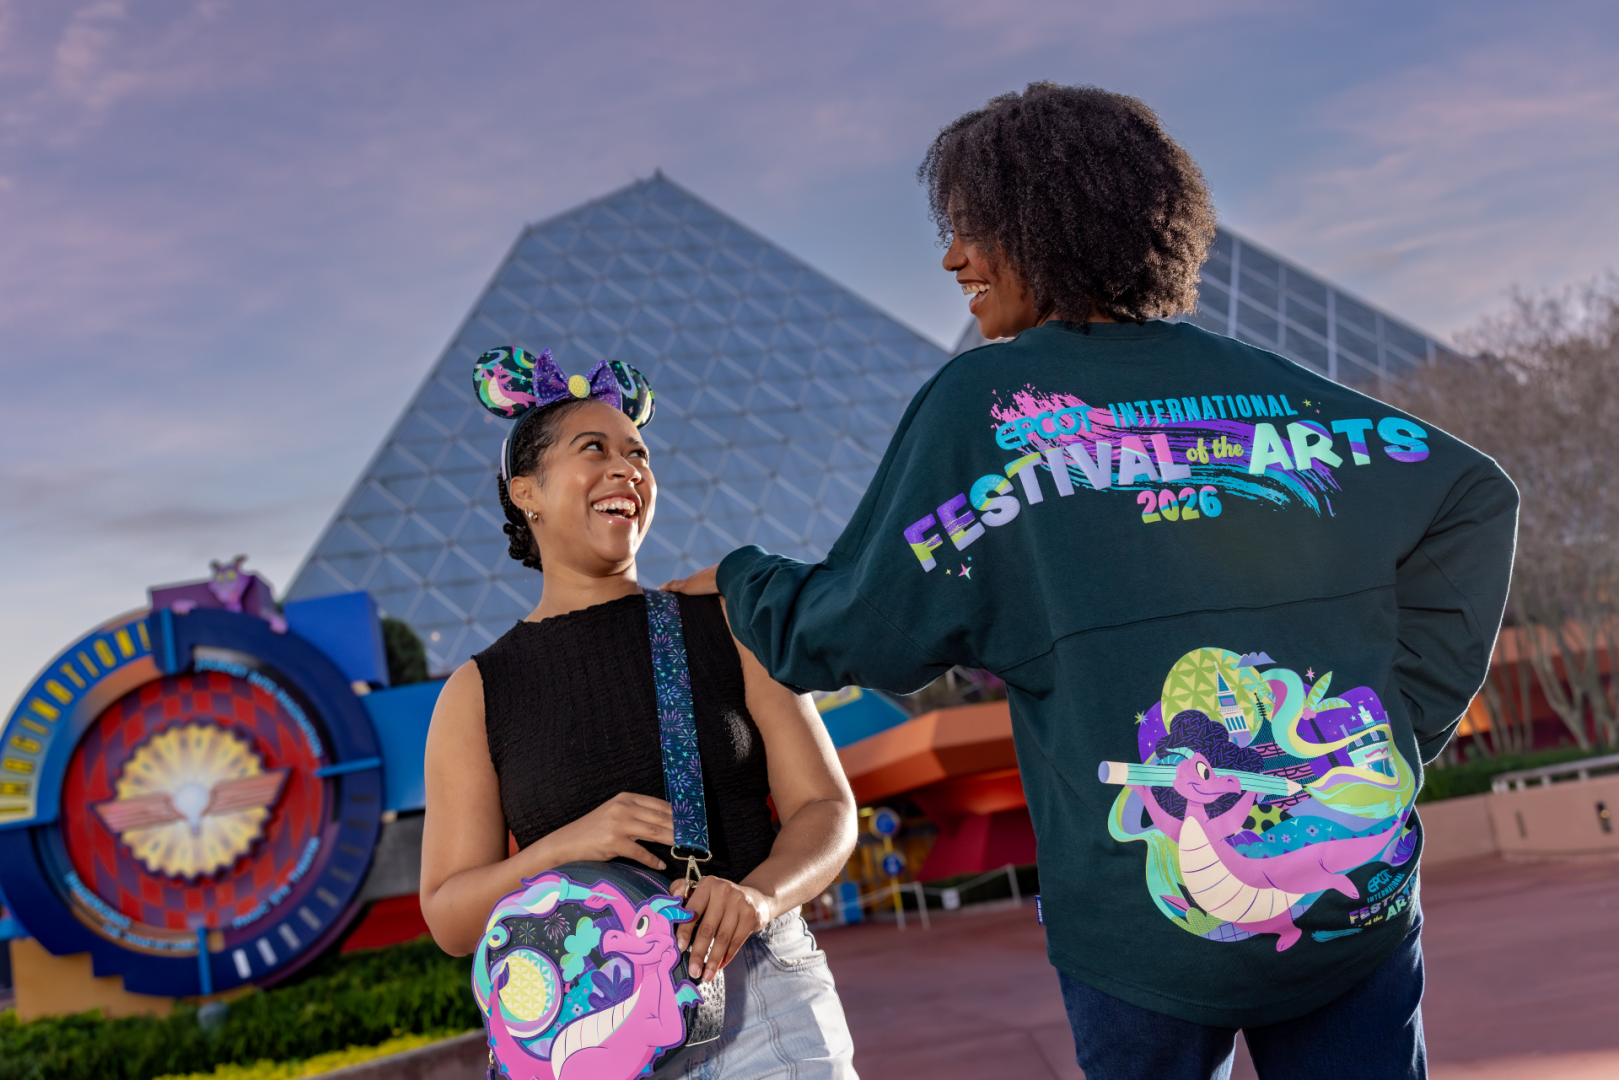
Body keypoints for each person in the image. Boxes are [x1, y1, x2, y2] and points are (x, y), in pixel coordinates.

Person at [663, 84, 1517, 1080]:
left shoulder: (990, 408)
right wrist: (1395, 728)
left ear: (1042, 227)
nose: (952, 259)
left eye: (971, 227)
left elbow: (853, 631)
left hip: (1136, 933)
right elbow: (1475, 498)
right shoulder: (1280, 393)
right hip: (1353, 900)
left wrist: (742, 583)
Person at [420, 349, 861, 1078]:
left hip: (759, 1002)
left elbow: (826, 807)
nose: (627, 469)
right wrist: (564, 846)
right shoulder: (477, 690)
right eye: (594, 449)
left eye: (638, 454)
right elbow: (450, 915)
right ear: (526, 492)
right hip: (586, 1030)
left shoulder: (723, 621)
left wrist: (757, 897)